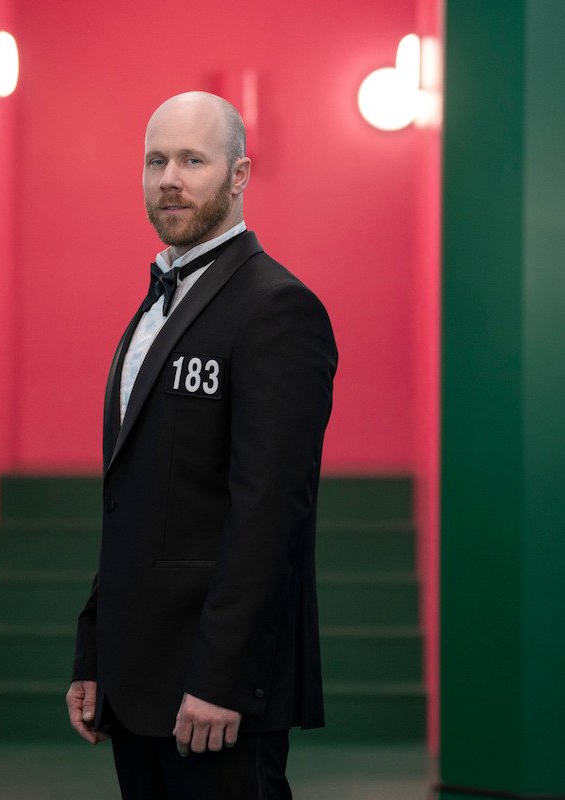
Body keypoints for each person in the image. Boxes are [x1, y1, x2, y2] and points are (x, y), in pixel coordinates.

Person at [66, 91, 338, 799]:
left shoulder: (278, 309)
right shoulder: (156, 304)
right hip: (136, 682)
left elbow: (270, 513)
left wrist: (223, 679)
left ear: (239, 175)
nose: (169, 179)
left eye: (193, 159)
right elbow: (134, 497)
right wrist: (94, 650)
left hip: (214, 696)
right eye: (156, 160)